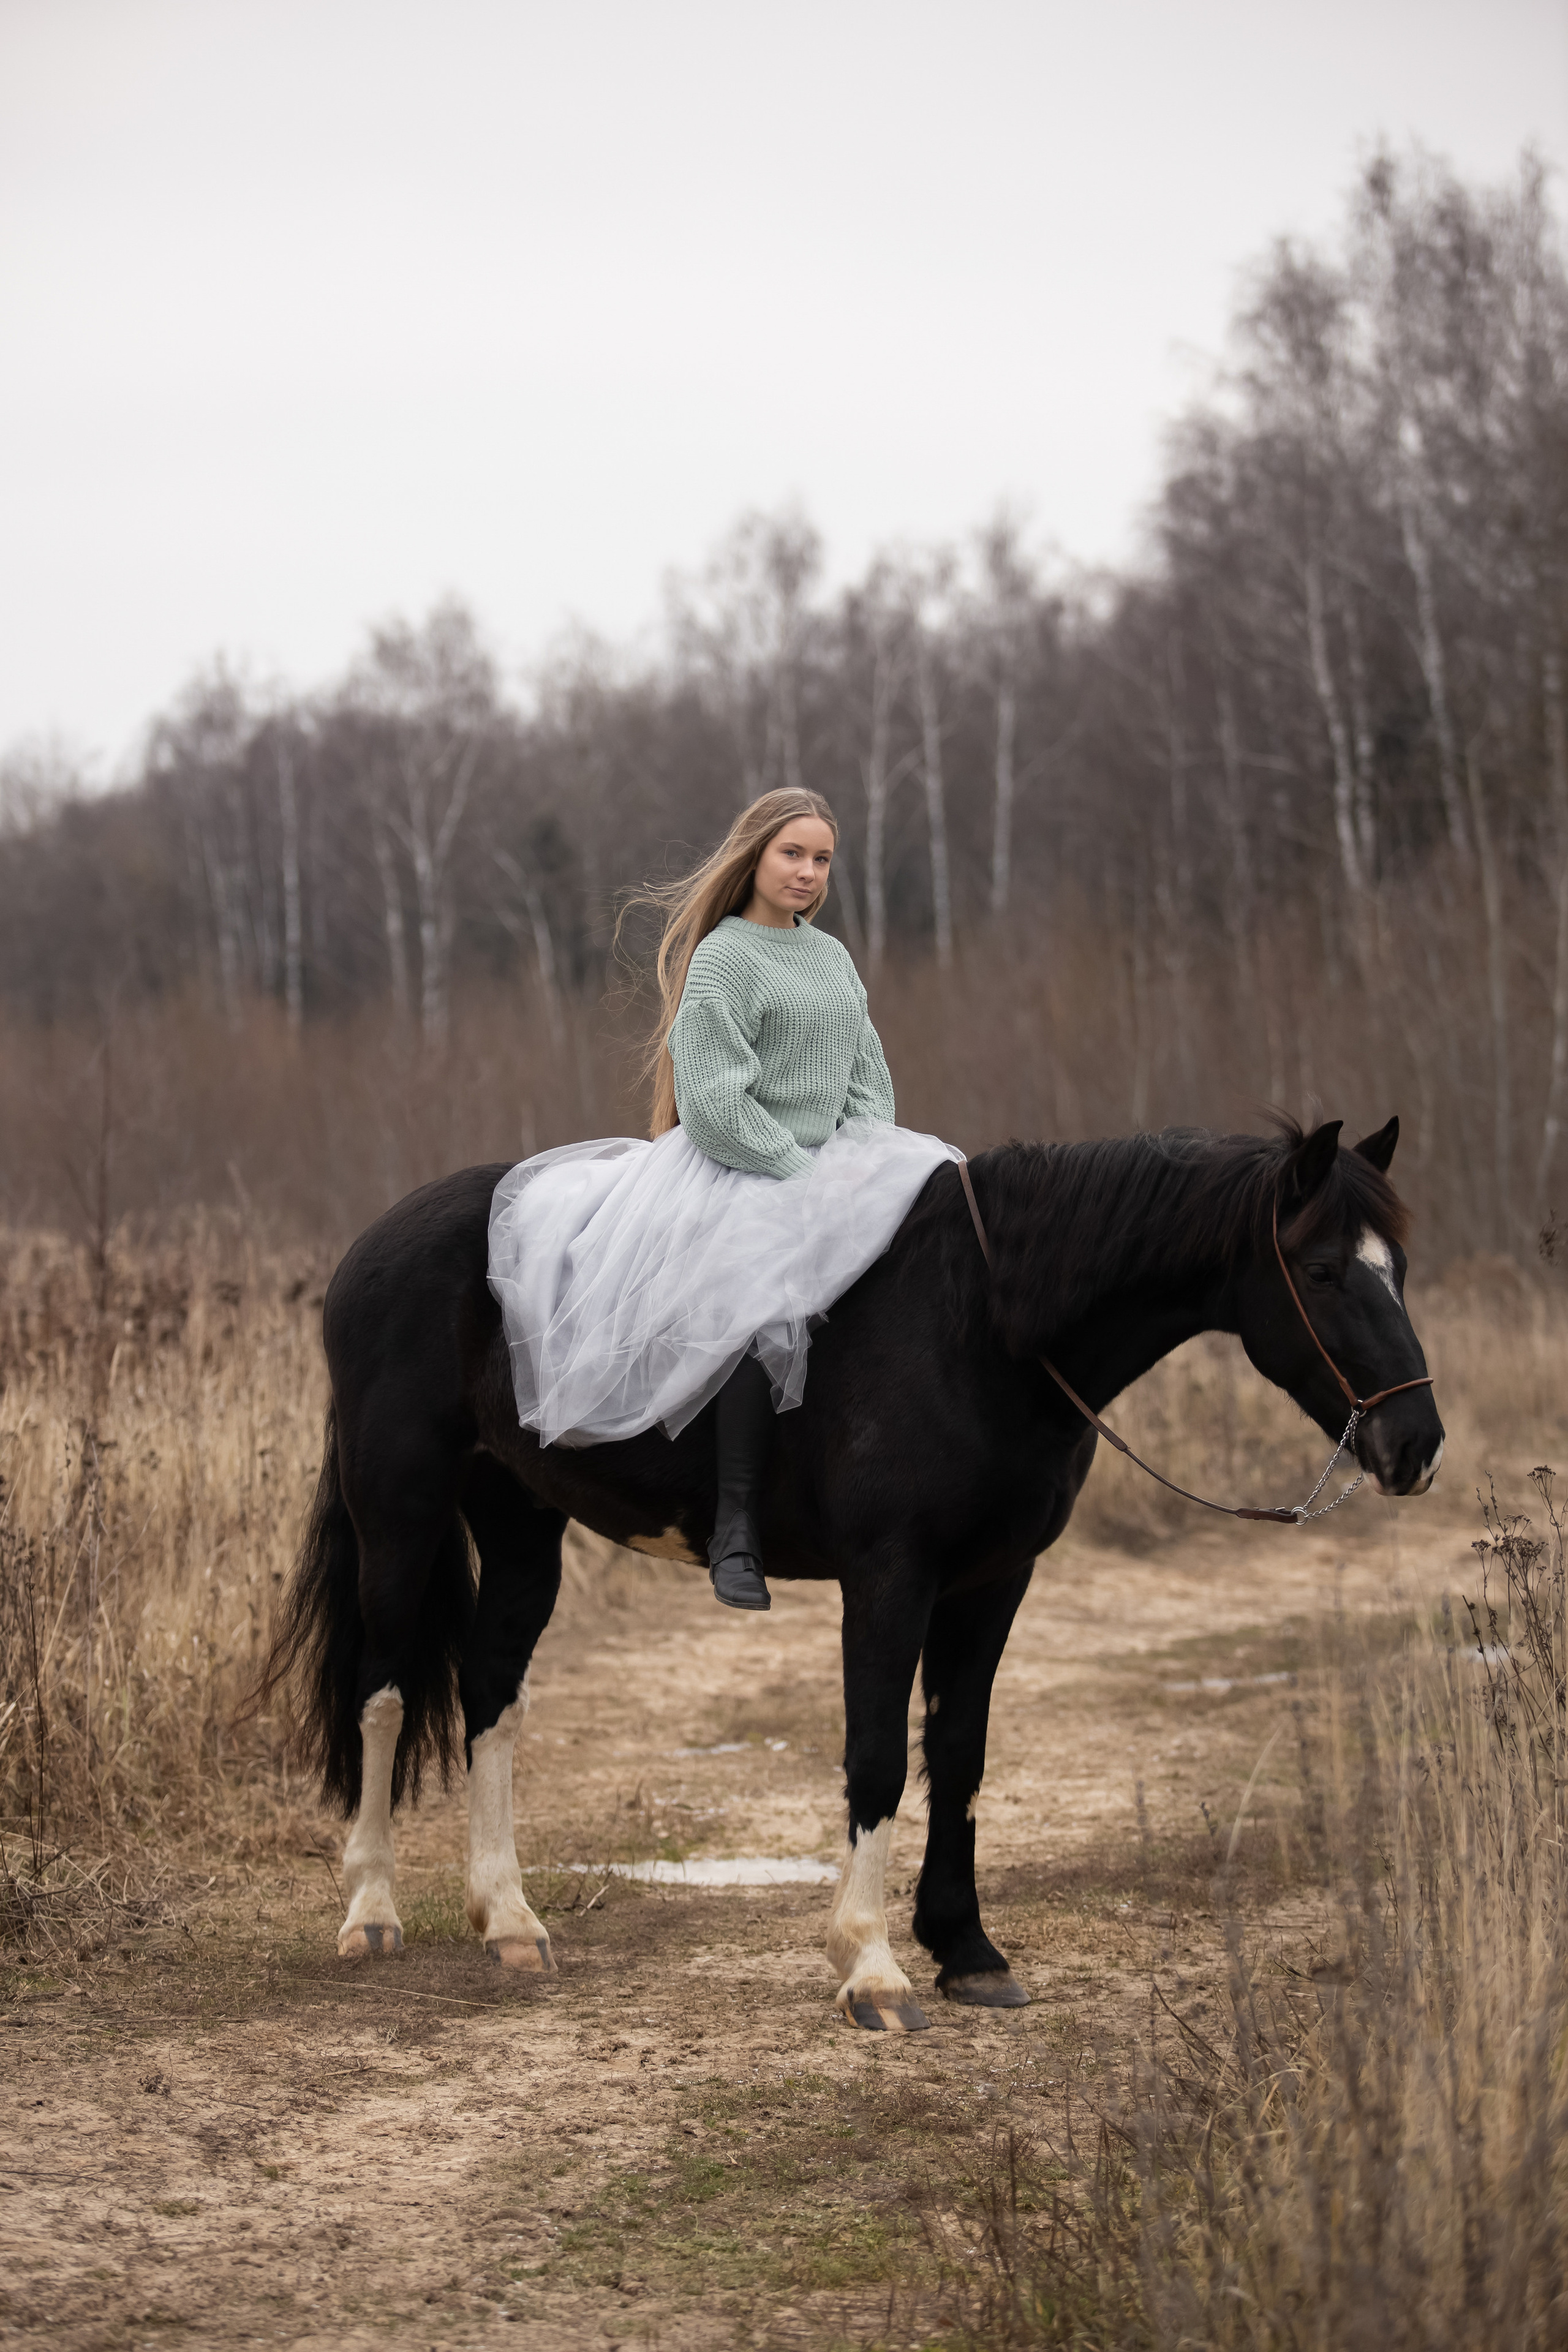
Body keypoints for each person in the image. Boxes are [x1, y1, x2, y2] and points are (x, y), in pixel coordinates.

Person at [487, 788, 960, 1610]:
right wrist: (797, 1174)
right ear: (755, 856)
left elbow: (867, 1080)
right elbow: (712, 1100)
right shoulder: (725, 957)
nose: (809, 872)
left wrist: (867, 1166)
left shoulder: (833, 958)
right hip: (738, 1164)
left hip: (831, 1165)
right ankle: (735, 1527)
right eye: (793, 854)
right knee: (758, 1306)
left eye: (821, 859)